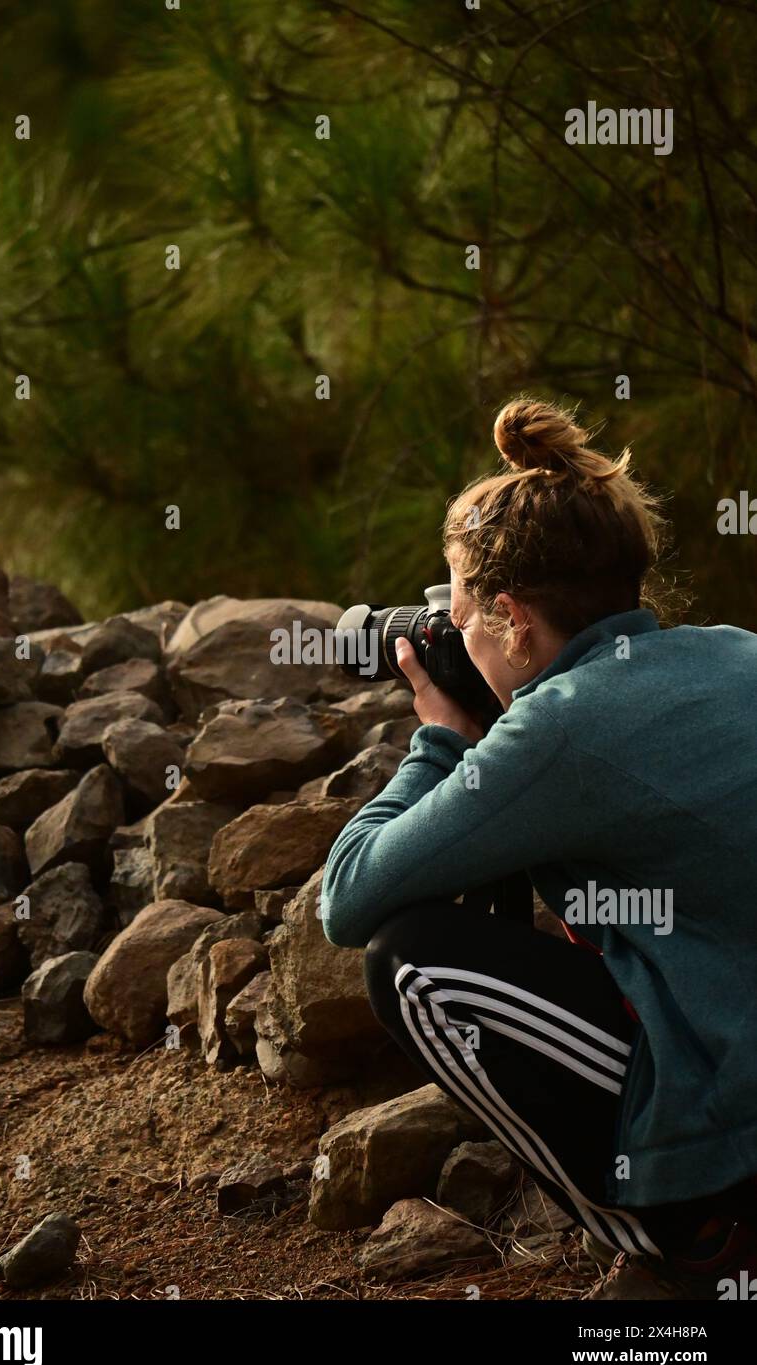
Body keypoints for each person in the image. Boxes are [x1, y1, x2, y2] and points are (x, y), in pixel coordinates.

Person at [320, 398, 757, 1300]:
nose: (451, 626)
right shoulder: (734, 649)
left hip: (740, 1116)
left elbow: (349, 898)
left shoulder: (563, 727)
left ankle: (693, 1239)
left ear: (515, 619)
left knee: (411, 965)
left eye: (462, 605)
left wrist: (440, 739)